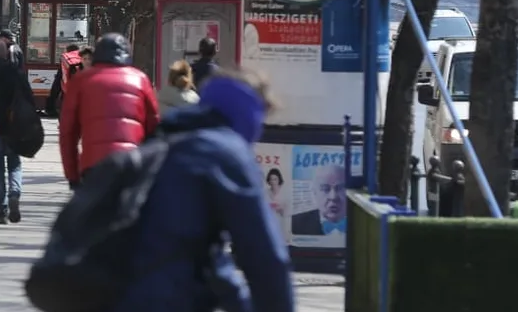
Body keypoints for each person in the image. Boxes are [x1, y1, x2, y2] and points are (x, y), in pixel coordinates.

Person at [113, 69, 293, 312]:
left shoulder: (164, 140)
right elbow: (264, 256)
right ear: (249, 114)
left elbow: (208, 257)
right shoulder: (228, 154)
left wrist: (238, 302)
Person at [59, 34, 160, 187]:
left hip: (94, 163)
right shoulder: (140, 79)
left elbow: (68, 132)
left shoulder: (81, 80)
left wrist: (72, 175)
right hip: (131, 161)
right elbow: (153, 127)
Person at [0, 39, 33, 224]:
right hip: (13, 128)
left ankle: (1, 210)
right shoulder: (16, 72)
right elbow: (28, 99)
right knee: (14, 165)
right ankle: (14, 194)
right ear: (6, 53)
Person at [290, 165, 347, 236]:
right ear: (315, 193)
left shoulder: (359, 219)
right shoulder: (295, 224)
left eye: (340, 188)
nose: (333, 197)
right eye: (325, 189)